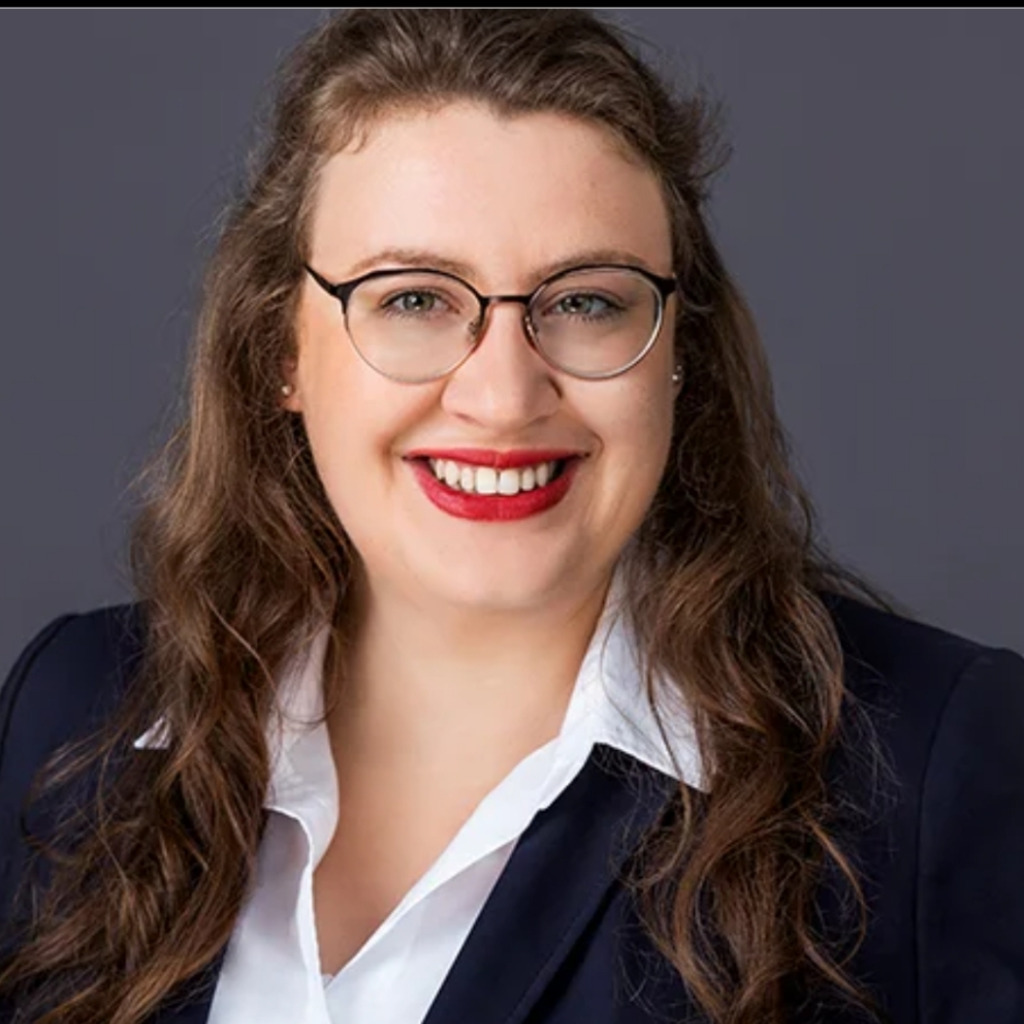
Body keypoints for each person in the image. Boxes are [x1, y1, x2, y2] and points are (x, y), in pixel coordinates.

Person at [1, 9, 1022, 1024]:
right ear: (281, 350)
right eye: (413, 299)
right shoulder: (68, 716)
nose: (501, 397)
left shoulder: (935, 771)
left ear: (678, 352)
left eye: (585, 302)